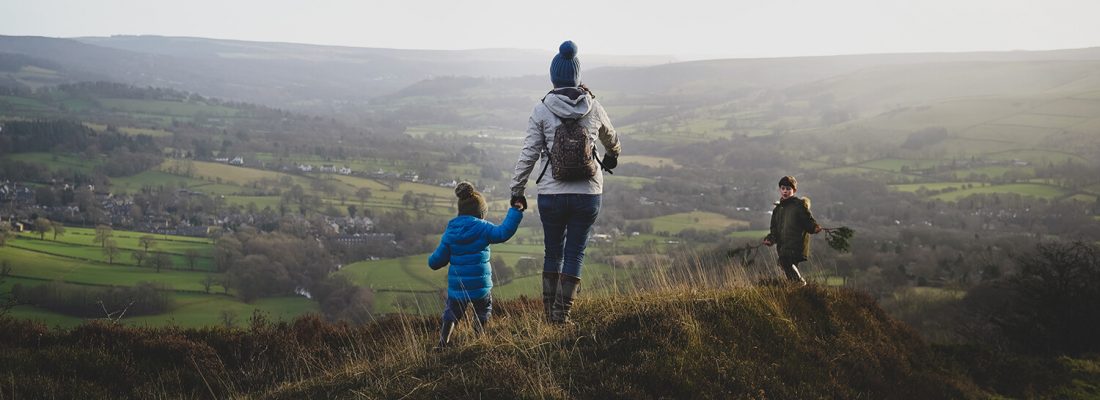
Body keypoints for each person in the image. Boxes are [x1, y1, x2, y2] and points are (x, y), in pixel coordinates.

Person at [509, 40, 621, 324]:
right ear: (577, 76)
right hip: (587, 194)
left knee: (553, 252)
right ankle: (562, 316)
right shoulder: (593, 106)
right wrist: (612, 157)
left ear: (553, 77)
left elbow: (529, 154)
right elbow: (612, 139)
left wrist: (517, 190)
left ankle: (549, 316)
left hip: (551, 194)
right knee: (575, 253)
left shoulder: (542, 108)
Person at [429, 181, 523, 348]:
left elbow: (436, 261)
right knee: (483, 309)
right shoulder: (483, 228)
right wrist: (515, 211)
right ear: (480, 213)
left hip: (458, 286)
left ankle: (444, 342)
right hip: (480, 285)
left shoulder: (451, 232)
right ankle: (480, 337)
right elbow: (503, 232)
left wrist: (432, 260)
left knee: (451, 313)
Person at [763, 175, 822, 286]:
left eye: (788, 189)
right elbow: (774, 229)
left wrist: (814, 227)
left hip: (796, 243)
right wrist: (770, 239)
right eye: (783, 188)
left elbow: (807, 220)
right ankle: (797, 290)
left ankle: (800, 283)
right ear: (780, 189)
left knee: (784, 261)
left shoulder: (798, 206)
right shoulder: (777, 209)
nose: (785, 191)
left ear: (794, 190)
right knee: (787, 266)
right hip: (783, 245)